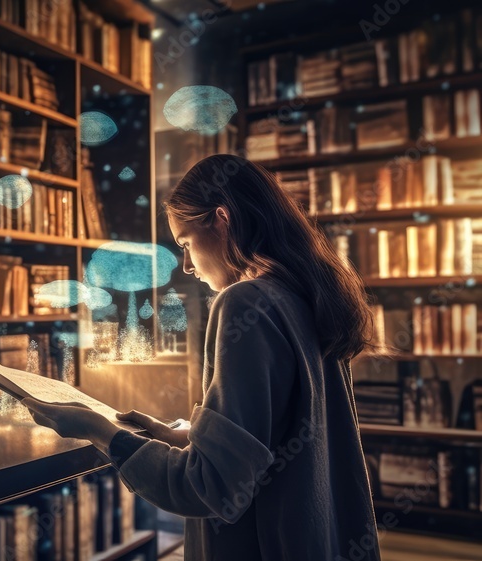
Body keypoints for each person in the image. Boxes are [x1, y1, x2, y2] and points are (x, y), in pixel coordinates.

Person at [22, 154, 382, 561]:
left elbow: (210, 489)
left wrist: (99, 431)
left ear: (222, 219)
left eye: (185, 243)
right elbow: (280, 439)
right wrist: (184, 435)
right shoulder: (308, 295)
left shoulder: (246, 302)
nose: (188, 266)